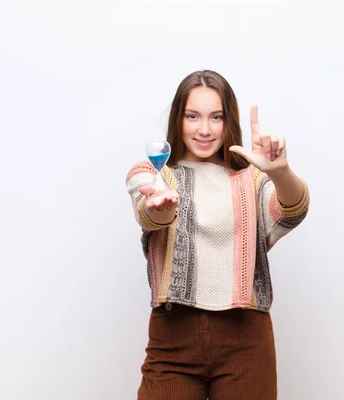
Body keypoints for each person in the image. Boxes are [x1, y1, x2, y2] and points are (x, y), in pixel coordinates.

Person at [124, 70, 310, 400]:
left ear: (229, 120)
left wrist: (280, 172)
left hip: (246, 340)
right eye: (192, 116)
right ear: (178, 118)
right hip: (173, 338)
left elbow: (291, 210)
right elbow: (148, 211)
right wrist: (161, 209)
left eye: (216, 117)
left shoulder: (251, 179)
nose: (205, 129)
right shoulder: (154, 173)